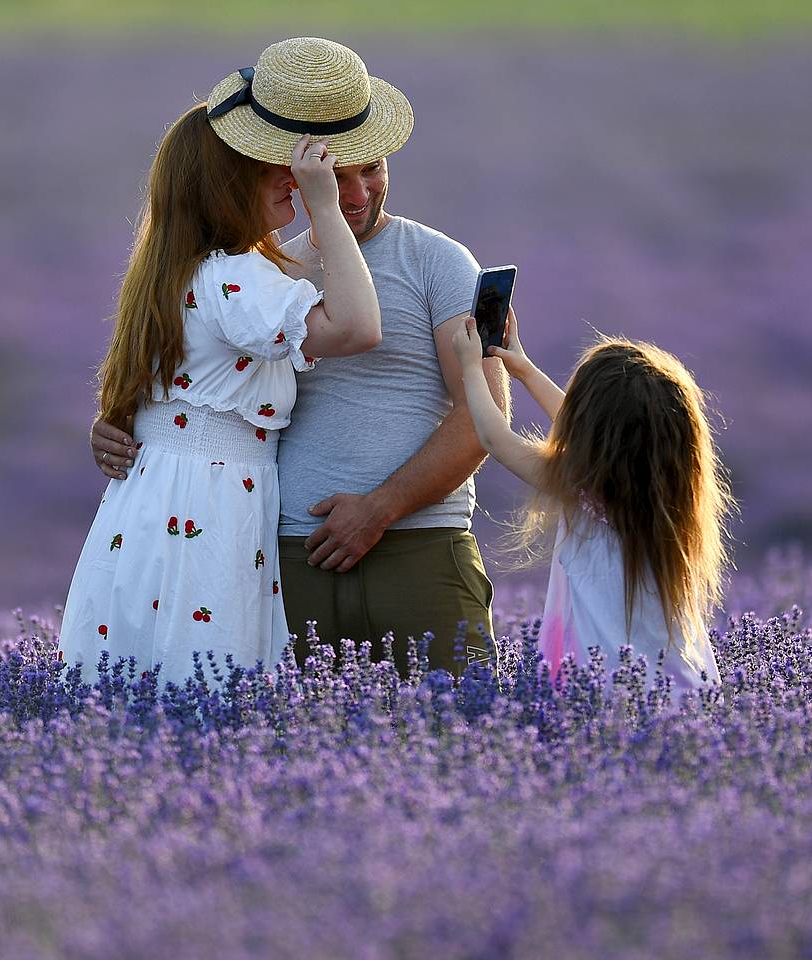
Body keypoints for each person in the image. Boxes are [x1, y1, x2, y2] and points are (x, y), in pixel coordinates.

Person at [89, 38, 509, 677]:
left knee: (456, 736)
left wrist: (382, 507)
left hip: (417, 546)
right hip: (286, 553)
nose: (358, 190)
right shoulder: (264, 273)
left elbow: (485, 413)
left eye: (372, 167)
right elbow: (196, 377)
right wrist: (124, 425)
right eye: (334, 175)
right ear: (293, 174)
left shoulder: (437, 262)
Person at [59, 72, 382, 683]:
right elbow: (359, 327)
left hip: (150, 507)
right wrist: (325, 208)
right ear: (226, 188)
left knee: (137, 681)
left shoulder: (168, 273)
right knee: (207, 683)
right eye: (268, 169)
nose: (287, 177)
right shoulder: (236, 277)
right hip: (210, 512)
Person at [452, 313, 732, 695]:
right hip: (682, 688)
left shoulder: (581, 490)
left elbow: (495, 438)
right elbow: (591, 429)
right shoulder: (672, 497)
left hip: (603, 691)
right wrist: (525, 370)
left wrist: (470, 367)